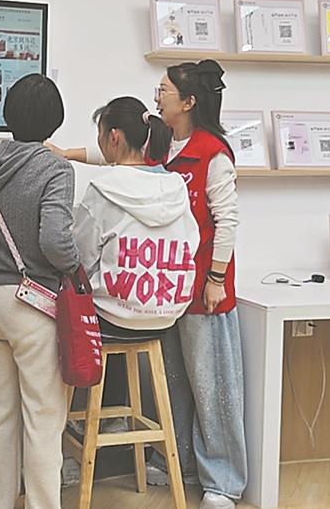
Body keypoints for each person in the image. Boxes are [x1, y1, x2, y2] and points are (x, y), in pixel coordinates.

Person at [48, 60, 247, 509]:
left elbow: (228, 220)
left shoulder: (211, 153)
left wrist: (215, 278)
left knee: (212, 387)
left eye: (163, 91)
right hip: (166, 288)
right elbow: (119, 156)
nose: (157, 98)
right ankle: (180, 462)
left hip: (203, 286)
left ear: (188, 102)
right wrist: (68, 154)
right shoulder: (164, 147)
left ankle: (223, 482)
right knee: (175, 383)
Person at [0, 74, 81, 509]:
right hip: (32, 305)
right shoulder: (56, 169)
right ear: (55, 120)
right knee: (42, 419)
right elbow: (54, 240)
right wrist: (74, 266)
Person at [71, 94, 199, 424]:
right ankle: (113, 422)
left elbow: (80, 257)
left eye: (100, 135)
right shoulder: (175, 186)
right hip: (166, 316)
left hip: (113, 318)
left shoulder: (102, 189)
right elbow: (193, 243)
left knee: (71, 309)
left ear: (113, 137)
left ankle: (83, 425)